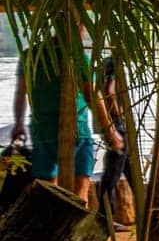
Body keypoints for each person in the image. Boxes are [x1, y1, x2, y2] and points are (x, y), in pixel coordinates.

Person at [10, 34, 123, 202]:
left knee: (48, 191)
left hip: (42, 132)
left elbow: (21, 92)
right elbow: (91, 95)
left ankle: (52, 226)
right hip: (76, 131)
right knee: (80, 193)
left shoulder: (30, 55)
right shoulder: (77, 58)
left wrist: (19, 123)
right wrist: (110, 130)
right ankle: (73, 227)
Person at [98, 55, 130, 231]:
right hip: (117, 127)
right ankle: (105, 218)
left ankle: (146, 214)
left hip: (116, 126)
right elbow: (109, 91)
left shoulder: (107, 64)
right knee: (111, 175)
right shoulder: (114, 65)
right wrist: (119, 114)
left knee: (129, 171)